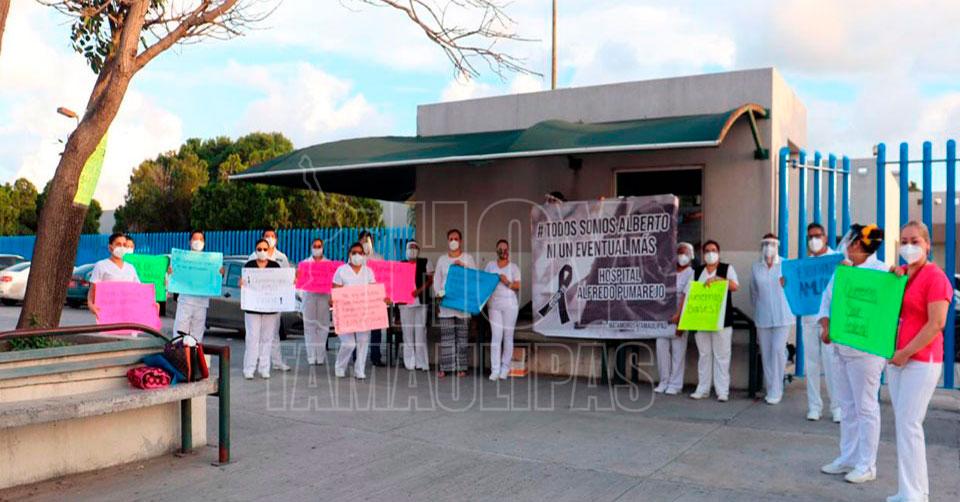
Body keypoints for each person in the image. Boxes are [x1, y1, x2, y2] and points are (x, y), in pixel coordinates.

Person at [886, 221, 952, 502]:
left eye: (915, 240)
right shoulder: (902, 275)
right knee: (903, 424)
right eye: (904, 240)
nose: (909, 246)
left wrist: (905, 353)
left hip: (921, 360)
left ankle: (916, 496)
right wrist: (894, 278)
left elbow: (937, 323)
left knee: (910, 423)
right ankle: (909, 490)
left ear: (927, 244)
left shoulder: (936, 278)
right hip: (899, 360)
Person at [818, 224, 887, 484]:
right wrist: (825, 326)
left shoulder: (881, 272)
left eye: (850, 241)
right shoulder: (844, 271)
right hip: (840, 349)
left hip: (866, 354)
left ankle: (867, 464)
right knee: (846, 407)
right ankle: (847, 457)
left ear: (858, 244)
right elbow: (826, 301)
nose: (846, 244)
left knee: (866, 408)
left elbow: (886, 310)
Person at [797, 223, 842, 422]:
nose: (813, 240)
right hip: (808, 318)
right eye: (810, 237)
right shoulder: (805, 264)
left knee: (832, 364)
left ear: (825, 237)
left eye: (817, 236)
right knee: (811, 365)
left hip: (829, 321)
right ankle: (814, 406)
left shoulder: (837, 260)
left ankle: (837, 407)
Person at [687, 240, 739, 402]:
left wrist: (719, 280)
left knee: (722, 356)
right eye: (707, 250)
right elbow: (690, 293)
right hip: (701, 319)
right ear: (703, 254)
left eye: (714, 250)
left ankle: (722, 391)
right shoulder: (697, 271)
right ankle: (703, 389)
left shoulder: (726, 269)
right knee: (704, 355)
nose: (711, 253)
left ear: (719, 252)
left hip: (721, 320)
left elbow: (735, 286)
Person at [750, 233, 794, 405]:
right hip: (763, 316)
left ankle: (777, 389)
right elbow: (753, 291)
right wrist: (758, 308)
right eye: (766, 244)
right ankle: (771, 388)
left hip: (783, 316)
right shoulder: (756, 267)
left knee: (777, 350)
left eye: (772, 244)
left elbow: (793, 288)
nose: (769, 247)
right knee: (767, 353)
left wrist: (787, 284)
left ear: (777, 246)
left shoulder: (786, 265)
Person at [332, 242, 384, 379]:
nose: (357, 255)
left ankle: (359, 369)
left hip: (363, 313)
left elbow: (374, 291)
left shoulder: (368, 272)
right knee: (349, 343)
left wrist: (382, 299)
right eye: (354, 252)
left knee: (363, 341)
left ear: (364, 255)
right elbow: (335, 291)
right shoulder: (341, 270)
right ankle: (340, 366)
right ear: (349, 254)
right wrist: (333, 299)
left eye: (360, 253)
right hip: (345, 313)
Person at [433, 228, 477, 378]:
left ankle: (461, 367)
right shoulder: (442, 260)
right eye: (450, 238)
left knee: (462, 337)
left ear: (461, 241)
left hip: (463, 304)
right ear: (447, 241)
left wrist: (463, 267)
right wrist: (438, 296)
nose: (453, 241)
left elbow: (474, 278)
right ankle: (445, 367)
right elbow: (437, 281)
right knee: (446, 337)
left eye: (456, 238)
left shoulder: (468, 258)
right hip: (446, 303)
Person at [248, 229, 291, 371]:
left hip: (272, 301)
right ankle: (256, 363)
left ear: (276, 239)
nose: (270, 238)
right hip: (256, 301)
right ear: (262, 238)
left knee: (273, 333)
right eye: (267, 236)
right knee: (255, 334)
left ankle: (277, 362)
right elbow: (248, 277)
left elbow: (286, 279)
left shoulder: (281, 257)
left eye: (272, 236)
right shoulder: (253, 256)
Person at [656, 242, 696, 395]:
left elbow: (687, 296)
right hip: (663, 317)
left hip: (680, 317)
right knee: (661, 348)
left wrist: (680, 318)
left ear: (691, 256)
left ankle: (675, 384)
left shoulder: (691, 273)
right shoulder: (668, 272)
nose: (682, 256)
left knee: (678, 352)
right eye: (679, 252)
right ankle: (663, 381)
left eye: (685, 253)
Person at [240, 239, 282, 380]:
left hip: (270, 308)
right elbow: (244, 283)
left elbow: (281, 284)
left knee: (267, 339)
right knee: (252, 338)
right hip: (253, 308)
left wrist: (290, 282)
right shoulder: (249, 265)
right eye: (259, 249)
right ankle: (249, 368)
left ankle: (264, 368)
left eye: (265, 249)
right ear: (255, 250)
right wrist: (241, 283)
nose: (262, 252)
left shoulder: (275, 266)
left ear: (268, 249)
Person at [172, 231, 220, 342]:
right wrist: (171, 272)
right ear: (190, 242)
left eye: (201, 239)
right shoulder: (182, 260)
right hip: (185, 301)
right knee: (179, 333)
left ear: (204, 242)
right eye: (195, 239)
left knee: (197, 336)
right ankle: (177, 356)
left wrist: (219, 272)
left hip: (201, 303)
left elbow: (214, 279)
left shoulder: (210, 262)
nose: (198, 242)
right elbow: (175, 278)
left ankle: (194, 358)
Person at [484, 239, 520, 381]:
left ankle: (505, 368)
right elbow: (484, 281)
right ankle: (495, 369)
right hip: (494, 306)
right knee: (496, 336)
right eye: (500, 249)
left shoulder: (513, 267)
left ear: (508, 251)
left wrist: (507, 282)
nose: (503, 251)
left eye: (506, 249)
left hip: (510, 306)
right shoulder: (490, 266)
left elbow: (518, 285)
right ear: (496, 250)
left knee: (508, 336)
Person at [88, 233, 141, 319]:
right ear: (110, 247)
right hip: (107, 316)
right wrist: (90, 305)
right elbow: (92, 290)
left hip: (128, 317)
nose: (122, 247)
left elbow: (139, 291)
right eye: (118, 244)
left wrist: (151, 305)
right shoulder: (101, 265)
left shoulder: (130, 268)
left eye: (124, 245)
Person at [399, 240, 433, 371]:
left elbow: (431, 280)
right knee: (407, 333)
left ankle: (422, 363)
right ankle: (409, 362)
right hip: (405, 303)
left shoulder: (425, 262)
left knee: (420, 333)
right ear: (406, 249)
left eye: (415, 247)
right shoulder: (400, 265)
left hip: (421, 301)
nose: (412, 249)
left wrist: (419, 291)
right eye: (410, 247)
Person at [299, 238, 332, 365]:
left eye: (319, 246)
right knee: (309, 327)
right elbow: (299, 283)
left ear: (323, 248)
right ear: (311, 247)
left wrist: (331, 297)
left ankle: (320, 356)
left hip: (324, 297)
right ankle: (311, 356)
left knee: (323, 327)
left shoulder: (328, 264)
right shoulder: (304, 264)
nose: (317, 248)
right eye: (315, 246)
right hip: (309, 297)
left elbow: (332, 281)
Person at [358, 230, 387, 367]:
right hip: (359, 299)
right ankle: (356, 357)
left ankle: (376, 357)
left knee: (376, 330)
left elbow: (384, 279)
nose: (366, 243)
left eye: (369, 240)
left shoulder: (379, 258)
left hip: (375, 299)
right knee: (357, 328)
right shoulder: (355, 258)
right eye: (364, 240)